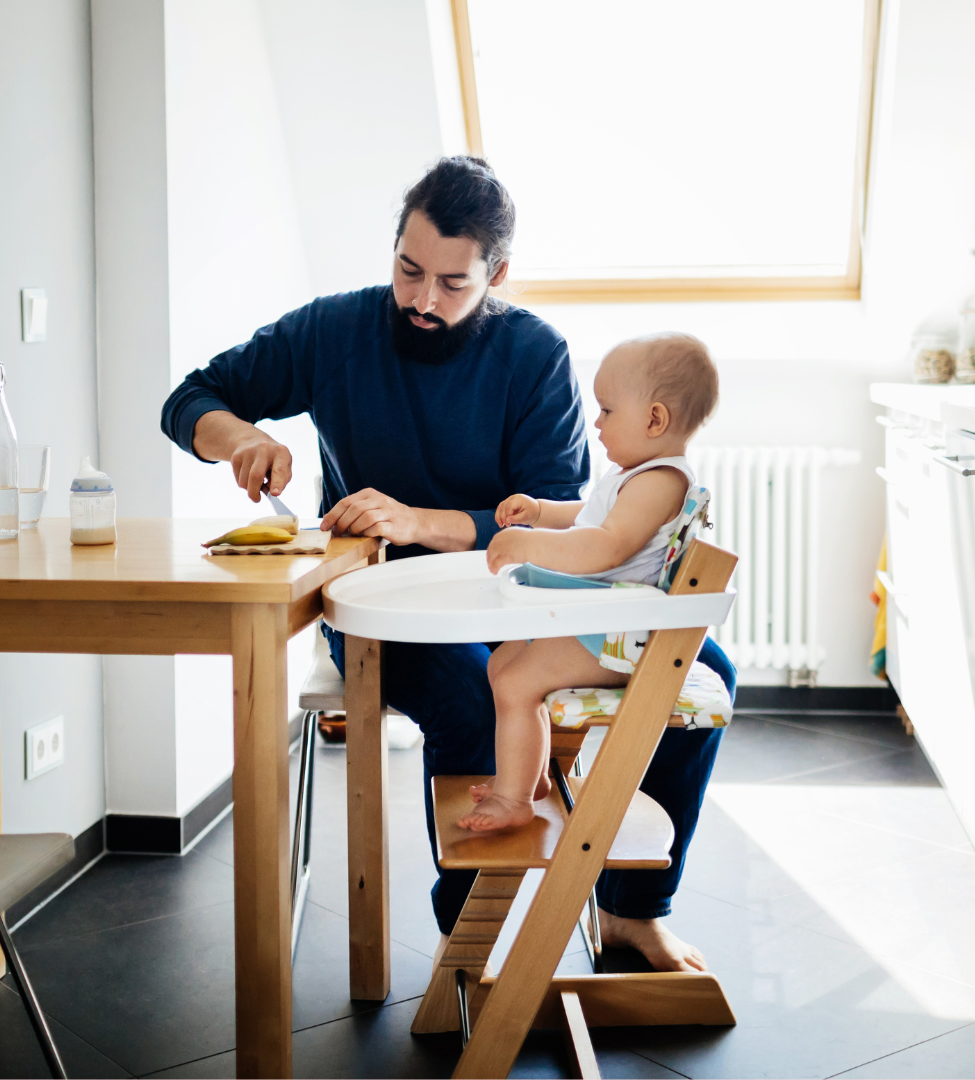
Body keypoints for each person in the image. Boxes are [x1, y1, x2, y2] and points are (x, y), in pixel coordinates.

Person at [160, 156, 734, 974]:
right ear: (394, 249)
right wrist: (241, 438)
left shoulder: (534, 353)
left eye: (453, 283)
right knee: (472, 698)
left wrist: (425, 520)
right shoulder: (334, 330)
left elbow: (558, 509)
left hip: (527, 600)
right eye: (408, 269)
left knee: (702, 666)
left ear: (497, 274)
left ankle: (631, 912)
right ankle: (471, 948)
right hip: (380, 606)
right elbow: (190, 397)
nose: (423, 300)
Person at [459, 333, 718, 833]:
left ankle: (514, 800)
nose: (596, 423)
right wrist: (540, 512)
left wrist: (528, 544)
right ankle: (528, 777)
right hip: (603, 624)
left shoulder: (659, 481)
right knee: (503, 664)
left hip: (620, 639)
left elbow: (605, 545)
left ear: (654, 419)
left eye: (606, 410)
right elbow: (590, 517)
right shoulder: (637, 477)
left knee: (517, 681)